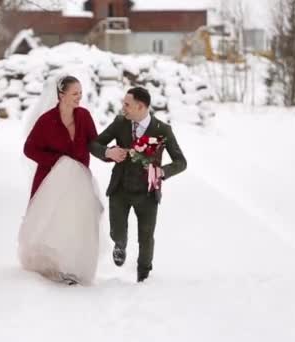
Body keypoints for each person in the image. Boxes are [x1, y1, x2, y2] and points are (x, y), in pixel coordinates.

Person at [89, 87, 187, 282]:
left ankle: (143, 274)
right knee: (117, 231)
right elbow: (94, 144)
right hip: (120, 188)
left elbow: (181, 162)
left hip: (148, 193)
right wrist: (108, 152)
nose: (123, 108)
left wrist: (162, 172)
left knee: (146, 236)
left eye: (127, 104)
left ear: (141, 107)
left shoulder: (163, 130)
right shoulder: (120, 123)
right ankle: (120, 245)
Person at [18, 75, 103, 286]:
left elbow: (95, 144)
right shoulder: (46, 120)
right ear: (61, 95)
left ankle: (73, 266)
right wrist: (58, 162)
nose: (79, 98)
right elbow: (29, 149)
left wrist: (109, 153)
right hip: (51, 182)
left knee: (77, 222)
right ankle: (52, 264)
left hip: (79, 181)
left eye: (81, 93)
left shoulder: (84, 116)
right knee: (52, 221)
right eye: (75, 93)